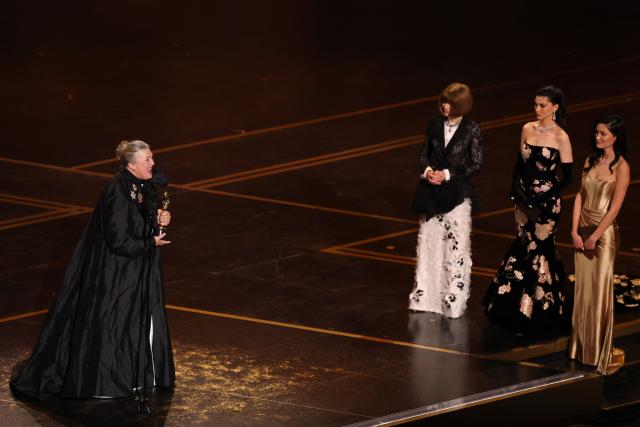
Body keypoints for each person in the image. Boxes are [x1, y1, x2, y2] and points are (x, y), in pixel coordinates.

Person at [11, 140, 175, 403]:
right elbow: (118, 240)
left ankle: (136, 375)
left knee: (134, 321)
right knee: (112, 323)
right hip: (115, 273)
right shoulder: (117, 192)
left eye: (151, 158)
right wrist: (150, 242)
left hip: (136, 270)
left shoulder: (141, 184)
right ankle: (105, 379)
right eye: (147, 159)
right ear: (131, 164)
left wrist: (158, 217)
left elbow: (141, 214)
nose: (152, 163)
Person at [483, 85, 573, 332]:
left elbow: (567, 178)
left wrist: (541, 199)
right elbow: (518, 163)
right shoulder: (527, 129)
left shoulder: (561, 138)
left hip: (546, 204)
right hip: (524, 200)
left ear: (555, 107)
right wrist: (516, 192)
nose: (537, 109)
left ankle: (540, 313)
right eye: (535, 104)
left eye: (543, 105)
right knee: (524, 244)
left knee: (540, 249)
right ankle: (514, 309)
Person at [409, 82, 484, 318]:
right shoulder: (433, 124)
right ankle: (426, 297)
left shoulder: (471, 129)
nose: (444, 106)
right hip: (432, 192)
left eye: (449, 103)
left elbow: (476, 162)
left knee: (455, 246)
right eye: (443, 102)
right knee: (429, 245)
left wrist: (449, 174)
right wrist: (429, 170)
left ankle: (453, 299)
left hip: (457, 195)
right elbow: (424, 153)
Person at [569, 115, 630, 375]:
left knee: (600, 292)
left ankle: (598, 352)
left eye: (603, 133)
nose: (598, 137)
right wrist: (574, 231)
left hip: (603, 236)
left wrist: (596, 236)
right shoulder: (590, 161)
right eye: (596, 133)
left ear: (615, 137)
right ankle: (581, 349)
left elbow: (615, 208)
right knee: (583, 291)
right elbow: (579, 196)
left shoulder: (622, 167)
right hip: (582, 231)